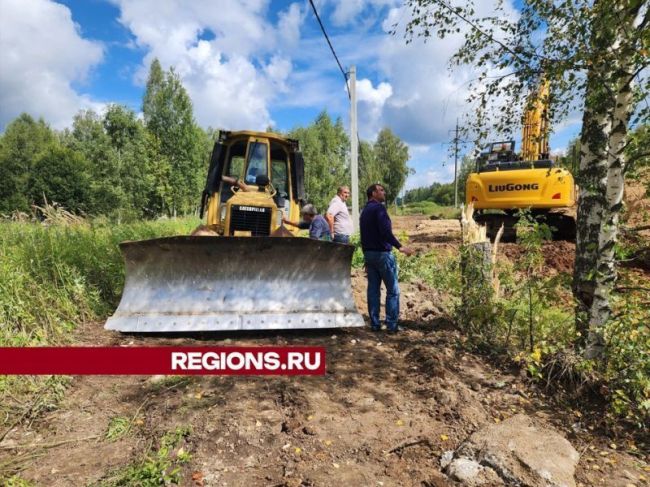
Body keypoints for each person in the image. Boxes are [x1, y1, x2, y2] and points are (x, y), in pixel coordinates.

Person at [360, 183, 414, 333]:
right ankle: (391, 325)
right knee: (393, 290)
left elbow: (365, 235)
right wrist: (400, 247)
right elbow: (385, 232)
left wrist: (366, 255)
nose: (384, 192)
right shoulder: (379, 209)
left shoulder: (364, 211)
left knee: (373, 290)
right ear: (373, 193)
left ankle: (375, 324)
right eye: (381, 190)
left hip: (369, 255)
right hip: (383, 255)